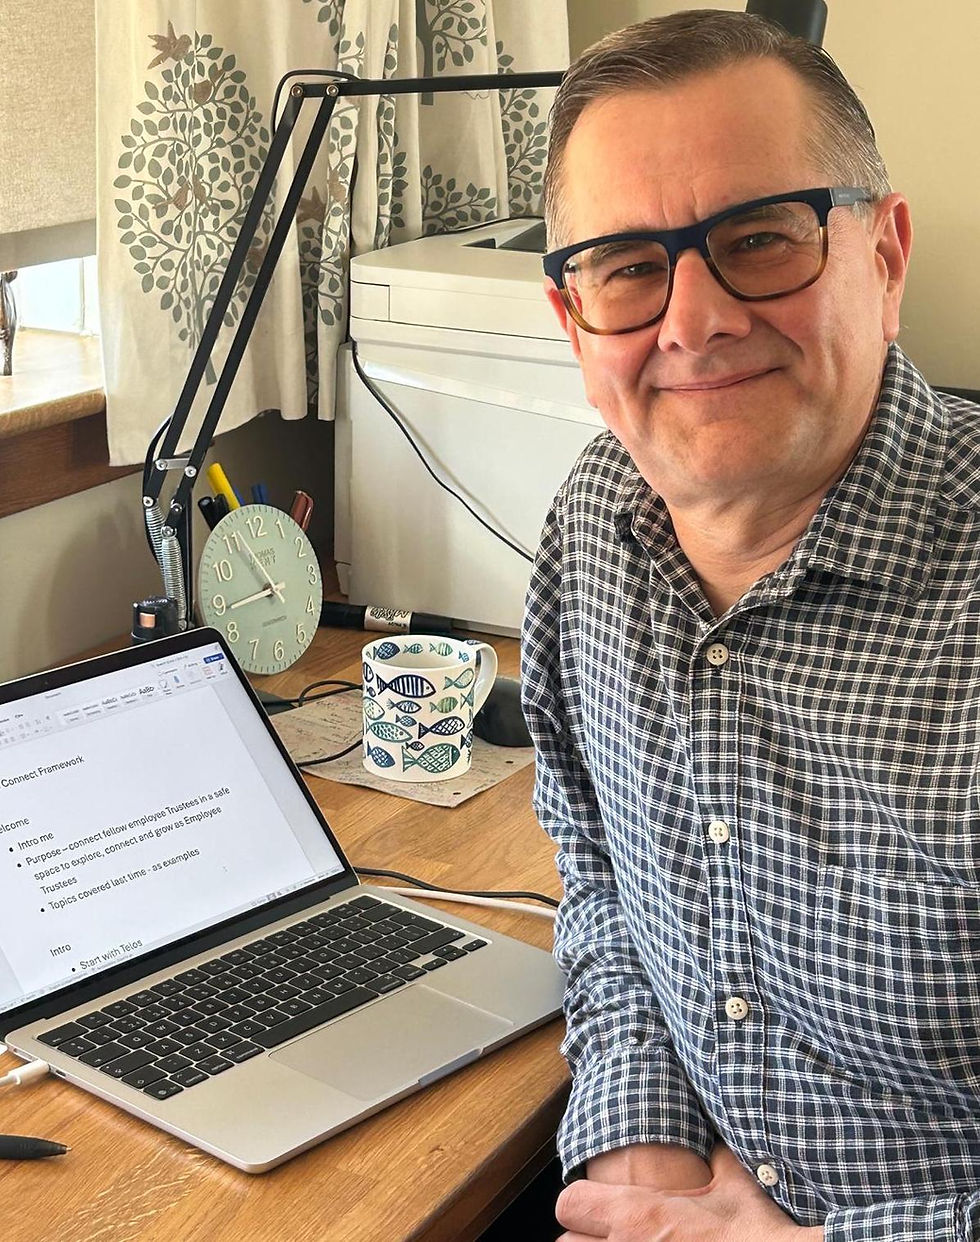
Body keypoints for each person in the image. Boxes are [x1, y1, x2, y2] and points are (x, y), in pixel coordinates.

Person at [521, 9, 980, 1241]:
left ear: (882, 258)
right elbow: (597, 872)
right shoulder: (592, 530)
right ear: (572, 321)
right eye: (625, 267)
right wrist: (640, 1147)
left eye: (759, 238)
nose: (692, 321)